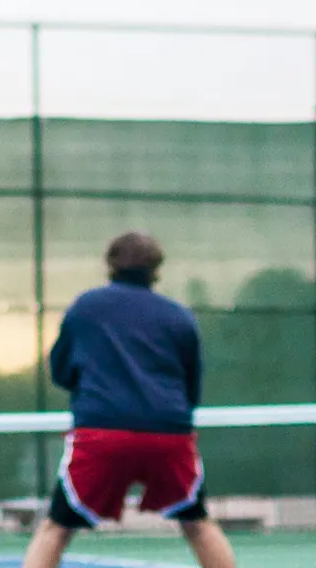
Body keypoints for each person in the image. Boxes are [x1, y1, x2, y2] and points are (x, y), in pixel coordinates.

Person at [22, 233, 234, 568]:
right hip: (168, 434)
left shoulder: (85, 307)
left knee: (55, 529)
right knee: (198, 524)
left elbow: (61, 370)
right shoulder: (178, 316)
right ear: (156, 270)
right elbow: (191, 387)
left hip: (102, 433)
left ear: (110, 265)